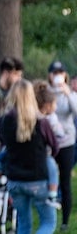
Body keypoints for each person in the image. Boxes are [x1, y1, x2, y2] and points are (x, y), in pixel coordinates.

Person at [0, 79, 58, 234]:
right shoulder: (41, 122)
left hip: (14, 180)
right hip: (37, 179)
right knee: (48, 222)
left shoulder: (4, 121)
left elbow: (3, 146)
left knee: (23, 223)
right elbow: (55, 147)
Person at [46, 61, 77, 231]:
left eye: (60, 72)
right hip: (49, 143)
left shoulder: (70, 93)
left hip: (67, 142)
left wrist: (68, 93)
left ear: (65, 75)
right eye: (54, 72)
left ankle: (65, 221)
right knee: (48, 180)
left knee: (65, 181)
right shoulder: (46, 92)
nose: (57, 75)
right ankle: (48, 217)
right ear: (50, 75)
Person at [34, 79, 64, 209]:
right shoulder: (48, 120)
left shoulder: (33, 117)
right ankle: (52, 194)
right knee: (52, 168)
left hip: (36, 154)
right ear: (47, 105)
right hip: (44, 153)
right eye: (55, 103)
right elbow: (58, 136)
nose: (56, 107)